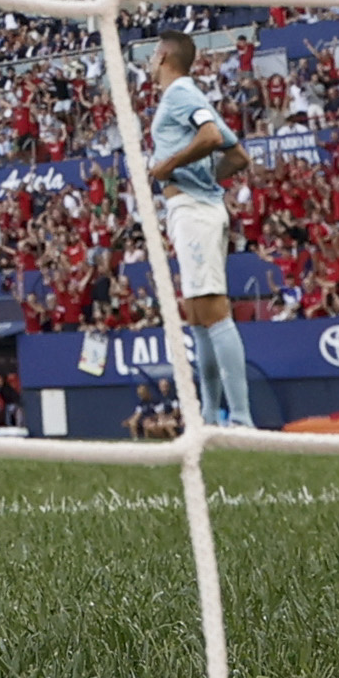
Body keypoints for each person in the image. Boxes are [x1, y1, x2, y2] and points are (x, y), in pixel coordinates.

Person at [143, 31, 253, 429]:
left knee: (212, 311)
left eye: (153, 54)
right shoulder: (190, 96)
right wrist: (204, 176)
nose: (150, 62)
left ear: (164, 56)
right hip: (193, 206)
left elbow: (210, 138)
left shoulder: (179, 93)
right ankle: (209, 416)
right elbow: (237, 154)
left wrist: (171, 166)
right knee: (196, 314)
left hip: (195, 210)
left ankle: (240, 418)